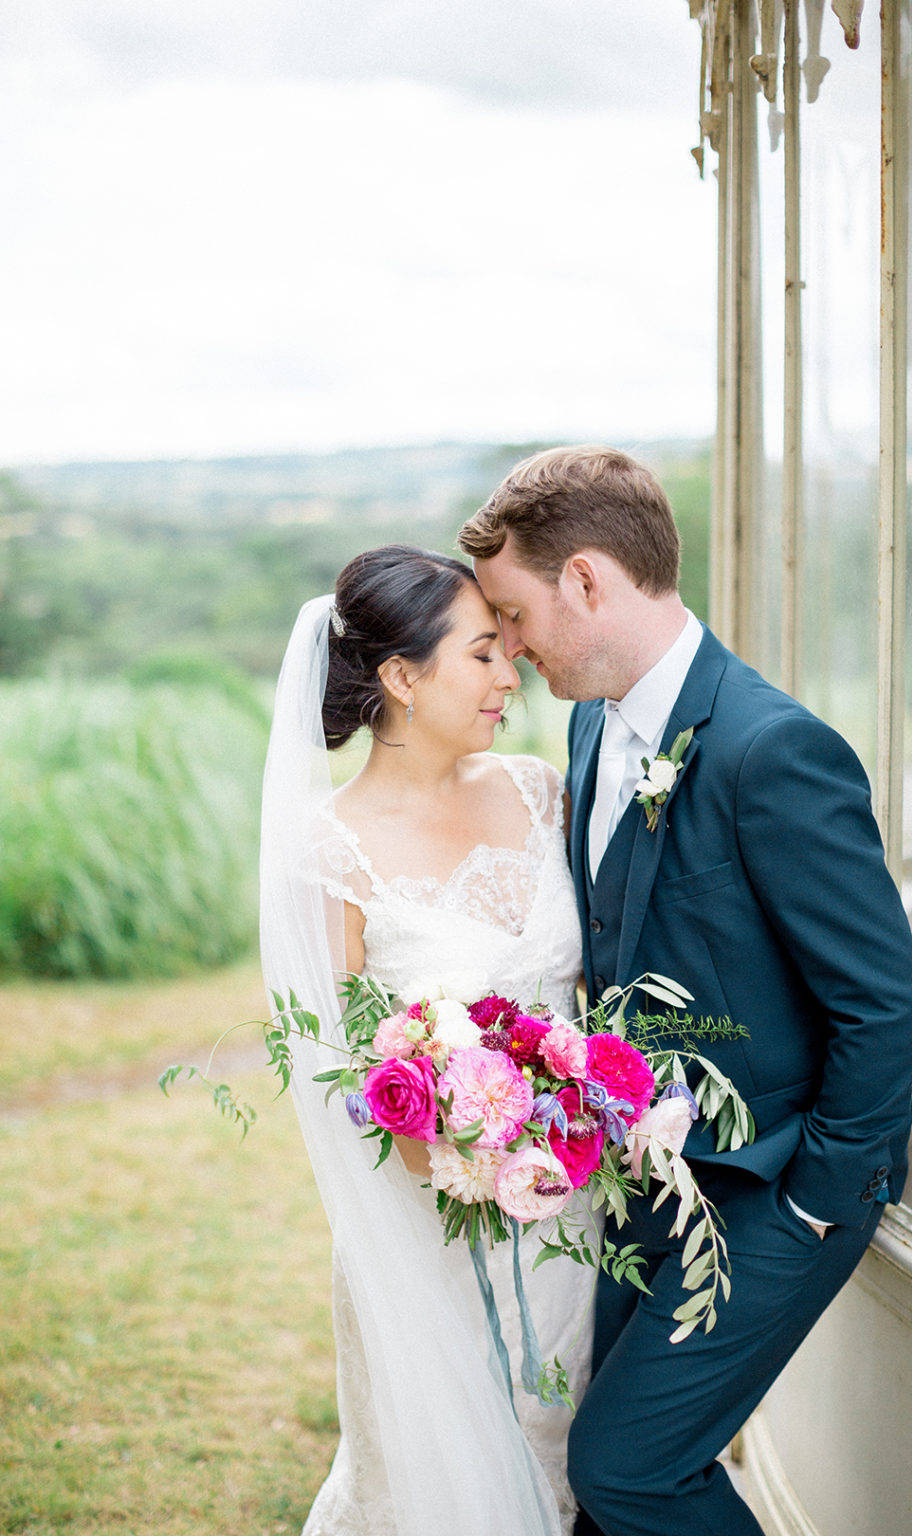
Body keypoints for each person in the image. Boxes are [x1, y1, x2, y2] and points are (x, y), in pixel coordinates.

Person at [459, 445, 912, 1536]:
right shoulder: (589, 720)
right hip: (648, 1176)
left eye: (516, 613)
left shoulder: (773, 750)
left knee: (628, 1469)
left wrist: (818, 1196)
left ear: (585, 580)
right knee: (598, 1466)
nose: (513, 646)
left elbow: (886, 1001)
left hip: (780, 1184)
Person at [258, 544, 591, 1536]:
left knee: (571, 1451)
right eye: (482, 654)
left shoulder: (540, 791)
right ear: (401, 678)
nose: (508, 675)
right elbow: (335, 1073)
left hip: (574, 1212)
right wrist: (450, 1152)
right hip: (431, 1231)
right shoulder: (329, 851)